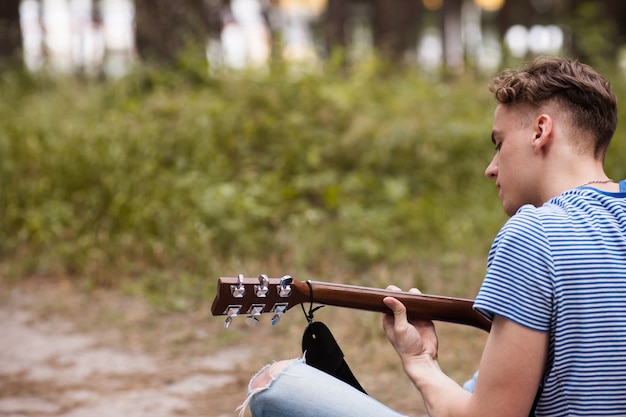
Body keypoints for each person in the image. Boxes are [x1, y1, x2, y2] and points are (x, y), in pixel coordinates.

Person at [238, 56, 626, 417]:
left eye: (499, 143)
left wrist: (420, 361)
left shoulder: (534, 233)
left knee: (277, 384)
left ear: (541, 131)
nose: (491, 169)